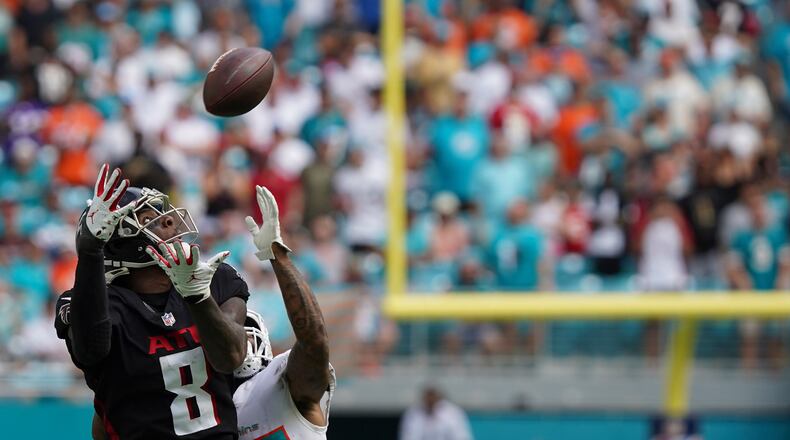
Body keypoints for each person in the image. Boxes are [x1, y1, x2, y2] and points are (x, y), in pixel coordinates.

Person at [55, 164, 249, 439]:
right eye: (148, 218)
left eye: (164, 215)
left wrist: (197, 296)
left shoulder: (215, 279)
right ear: (120, 241)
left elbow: (230, 357)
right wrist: (90, 253)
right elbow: (91, 350)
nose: (169, 221)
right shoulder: (95, 304)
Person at [233, 185, 335, 439]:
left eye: (245, 332)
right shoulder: (210, 404)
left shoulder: (280, 381)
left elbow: (314, 340)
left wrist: (276, 256)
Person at [398, 386, 473, 440]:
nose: (430, 401)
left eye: (433, 399)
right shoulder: (413, 413)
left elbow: (461, 437)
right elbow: (409, 436)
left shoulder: (453, 413)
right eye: (428, 399)